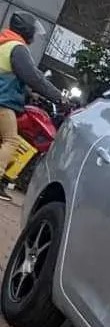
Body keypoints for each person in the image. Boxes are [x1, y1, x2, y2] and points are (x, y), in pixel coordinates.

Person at [0, 12, 63, 201]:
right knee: (11, 141)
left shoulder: (4, 42)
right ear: (26, 30)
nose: (34, 37)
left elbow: (10, 76)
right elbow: (33, 77)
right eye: (33, 32)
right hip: (2, 103)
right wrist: (59, 97)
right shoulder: (17, 48)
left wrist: (29, 94)